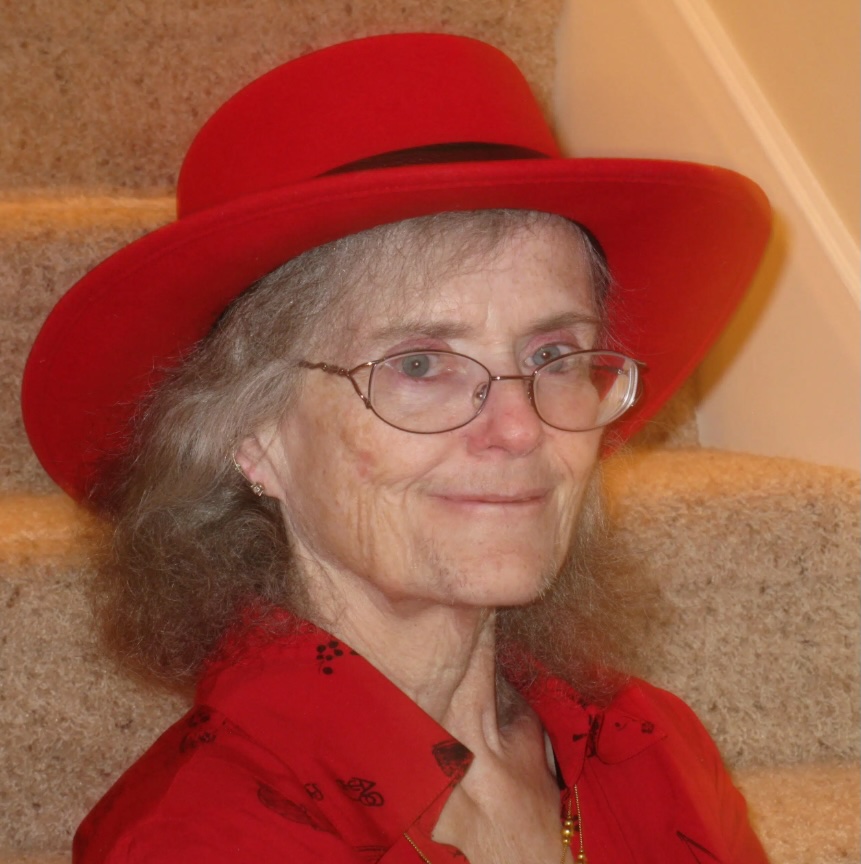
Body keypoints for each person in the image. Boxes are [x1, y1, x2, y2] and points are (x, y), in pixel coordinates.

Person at [22, 32, 772, 864]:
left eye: (554, 357)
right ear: (250, 434)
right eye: (420, 365)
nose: (520, 429)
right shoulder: (202, 841)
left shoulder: (648, 746)